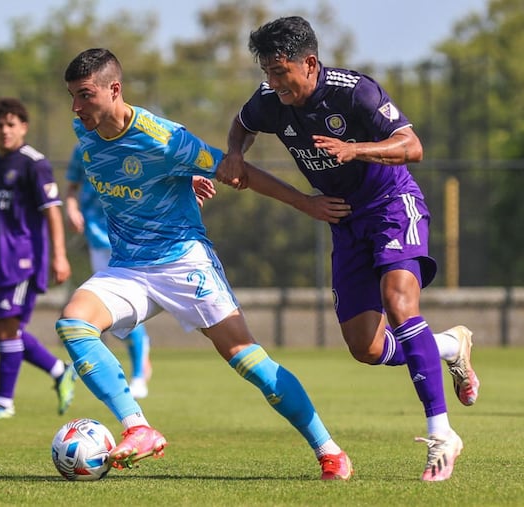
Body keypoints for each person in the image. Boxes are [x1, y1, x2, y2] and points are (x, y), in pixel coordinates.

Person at [56, 47, 353, 480]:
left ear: (114, 89)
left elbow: (237, 171)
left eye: (85, 95)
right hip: (128, 268)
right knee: (73, 325)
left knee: (247, 360)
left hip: (181, 262)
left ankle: (329, 451)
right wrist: (179, 178)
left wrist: (306, 203)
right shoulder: (83, 131)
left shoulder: (164, 139)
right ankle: (138, 427)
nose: (76, 107)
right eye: (72, 97)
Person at [217, 16, 480, 482]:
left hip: (392, 205)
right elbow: (241, 124)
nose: (273, 83)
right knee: (366, 347)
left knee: (400, 306)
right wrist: (235, 152)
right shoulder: (269, 101)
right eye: (266, 73)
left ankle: (442, 434)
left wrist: (356, 149)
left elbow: (412, 146)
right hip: (344, 219)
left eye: (280, 72)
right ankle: (447, 345)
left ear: (310, 63)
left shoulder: (355, 92)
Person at [0, 97, 77, 420]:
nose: (5, 131)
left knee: (8, 329)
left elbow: (52, 213)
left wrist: (59, 257)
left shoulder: (34, 164)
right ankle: (59, 369)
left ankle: (3, 402)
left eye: (11, 124)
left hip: (23, 260)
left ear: (24, 127)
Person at [65, 143, 152, 399]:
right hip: (97, 237)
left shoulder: (133, 142)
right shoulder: (83, 148)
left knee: (127, 308)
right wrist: (71, 209)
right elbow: (72, 187)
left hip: (129, 238)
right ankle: (137, 355)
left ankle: (137, 375)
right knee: (109, 316)